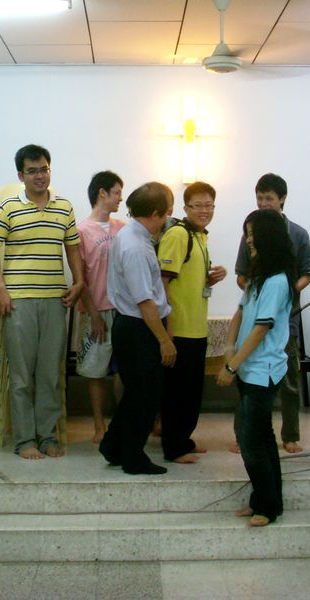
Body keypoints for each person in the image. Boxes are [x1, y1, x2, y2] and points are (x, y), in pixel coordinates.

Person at [0, 144, 84, 459]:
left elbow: (72, 248)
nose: (39, 176)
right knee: (22, 376)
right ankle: (25, 441)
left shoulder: (64, 207)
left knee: (50, 374)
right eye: (32, 171)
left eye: (44, 169)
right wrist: (0, 287)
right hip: (18, 302)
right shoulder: (8, 207)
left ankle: (47, 437)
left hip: (55, 300)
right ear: (21, 175)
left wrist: (79, 281)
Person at [217, 209, 295, 527]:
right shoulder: (258, 276)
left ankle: (267, 506)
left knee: (250, 441)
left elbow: (262, 329)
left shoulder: (277, 281)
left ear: (269, 237)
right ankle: (267, 500)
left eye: (252, 234)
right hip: (249, 367)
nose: (248, 240)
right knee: (262, 437)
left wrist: (231, 367)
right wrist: (229, 349)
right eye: (246, 233)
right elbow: (239, 314)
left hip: (264, 370)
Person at [99, 182, 177, 475]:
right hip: (139, 326)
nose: (168, 218)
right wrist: (164, 340)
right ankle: (133, 457)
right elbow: (145, 301)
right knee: (146, 395)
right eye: (166, 212)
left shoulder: (131, 235)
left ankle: (113, 445)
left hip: (133, 324)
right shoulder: (134, 246)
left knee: (136, 392)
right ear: (155, 214)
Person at [234, 173, 310, 454]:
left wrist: (283, 293)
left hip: (286, 320)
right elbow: (242, 275)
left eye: (269, 198)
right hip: (256, 317)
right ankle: (243, 434)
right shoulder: (250, 232)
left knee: (289, 380)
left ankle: (290, 435)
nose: (263, 203)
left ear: (282, 199)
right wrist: (258, 291)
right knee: (246, 379)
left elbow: (306, 274)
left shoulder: (298, 234)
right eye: (259, 198)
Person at [158, 181, 227, 463]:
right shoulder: (178, 234)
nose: (204, 211)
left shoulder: (200, 236)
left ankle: (183, 440)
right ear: (185, 208)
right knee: (177, 393)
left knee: (191, 392)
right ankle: (173, 447)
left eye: (209, 205)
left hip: (196, 328)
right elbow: (162, 283)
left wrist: (211, 278)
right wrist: (167, 329)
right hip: (180, 328)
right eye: (197, 205)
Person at [77, 171, 126, 443]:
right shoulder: (82, 231)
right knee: (95, 370)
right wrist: (93, 314)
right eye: (117, 192)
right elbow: (80, 278)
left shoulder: (123, 228)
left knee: (124, 369)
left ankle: (122, 423)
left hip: (124, 310)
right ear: (102, 193)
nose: (120, 198)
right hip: (95, 309)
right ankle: (99, 426)